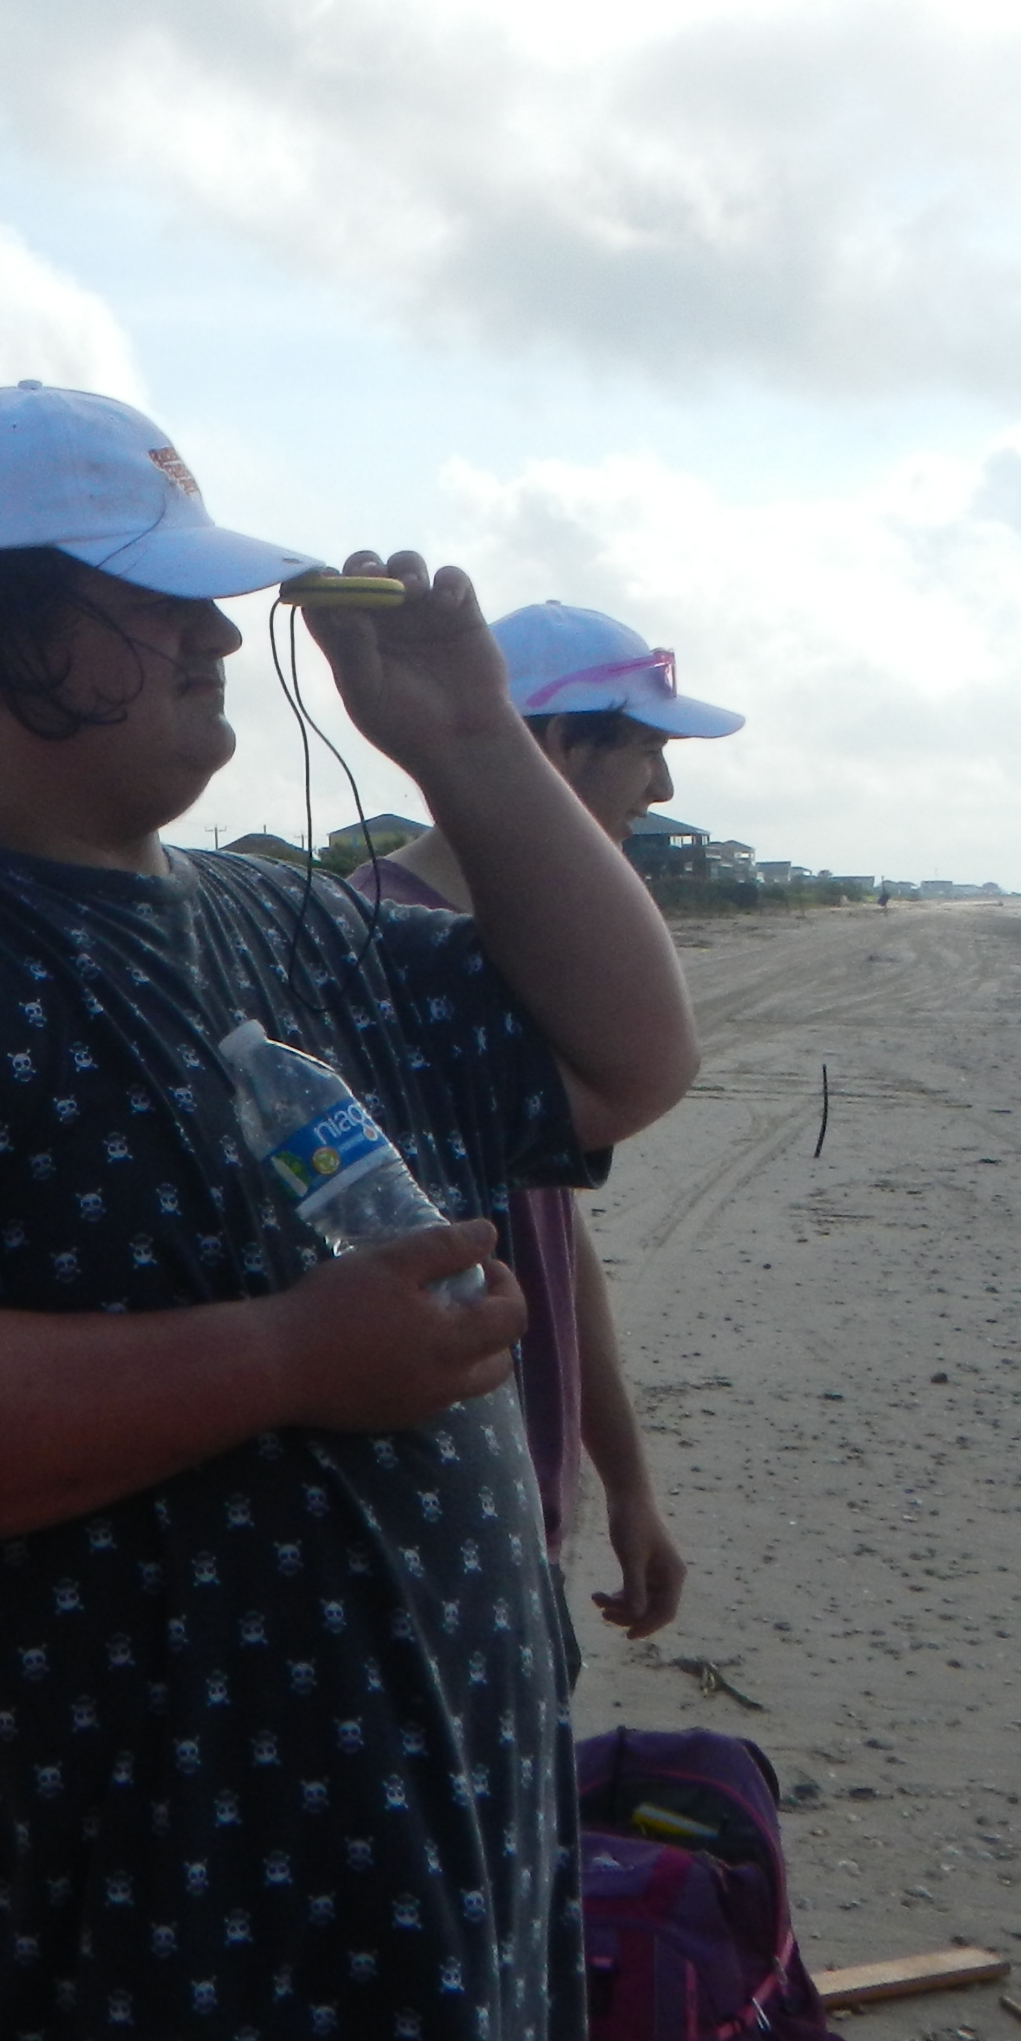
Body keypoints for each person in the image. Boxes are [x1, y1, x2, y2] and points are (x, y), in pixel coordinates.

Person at [0, 381, 702, 2041]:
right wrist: (287, 1358)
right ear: (0, 637)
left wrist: (457, 741)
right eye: (155, 603)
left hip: (384, 2015)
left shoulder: (286, 922)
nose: (210, 639)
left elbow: (618, 1063)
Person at [347, 602, 744, 1646]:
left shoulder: (544, 954)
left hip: (527, 1488)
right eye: (646, 751)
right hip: (431, 1509)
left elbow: (558, 1235)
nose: (661, 790)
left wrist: (626, 1483)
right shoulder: (380, 945)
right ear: (563, 744)